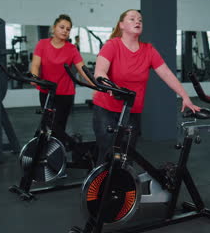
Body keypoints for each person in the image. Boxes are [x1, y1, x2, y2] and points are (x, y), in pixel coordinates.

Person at [92, 9, 199, 165]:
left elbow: (167, 74)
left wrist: (185, 96)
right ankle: (101, 188)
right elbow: (100, 72)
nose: (138, 22)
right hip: (106, 108)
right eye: (132, 19)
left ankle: (123, 188)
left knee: (126, 156)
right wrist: (109, 86)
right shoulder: (112, 45)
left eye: (140, 20)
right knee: (107, 153)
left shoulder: (148, 50)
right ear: (121, 25)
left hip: (131, 111)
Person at [30, 14, 90, 147]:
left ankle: (56, 157)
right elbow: (35, 64)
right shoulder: (43, 44)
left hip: (65, 93)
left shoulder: (72, 49)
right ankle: (42, 154)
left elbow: (82, 69)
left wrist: (95, 84)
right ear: (54, 28)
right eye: (62, 27)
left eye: (68, 29)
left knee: (59, 127)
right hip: (47, 92)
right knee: (47, 125)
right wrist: (34, 77)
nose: (65, 31)